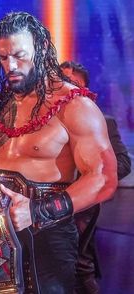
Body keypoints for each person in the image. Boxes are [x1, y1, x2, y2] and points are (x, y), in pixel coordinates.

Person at [0, 12, 118, 293]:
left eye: (19, 55)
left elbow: (104, 177)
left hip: (47, 239)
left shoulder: (74, 107)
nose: (10, 65)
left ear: (40, 49)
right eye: (3, 58)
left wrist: (37, 211)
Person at [60, 60, 131, 294]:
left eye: (73, 83)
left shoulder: (102, 121)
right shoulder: (46, 122)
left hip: (81, 205)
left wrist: (90, 176)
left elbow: (123, 163)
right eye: (63, 82)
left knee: (79, 265)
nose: (67, 88)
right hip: (43, 205)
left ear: (86, 91)